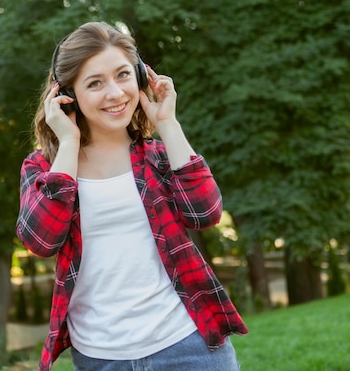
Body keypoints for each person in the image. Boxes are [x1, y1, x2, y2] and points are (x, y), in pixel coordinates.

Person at [15, 21, 248, 371]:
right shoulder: (45, 168)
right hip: (100, 356)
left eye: (123, 75)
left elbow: (206, 213)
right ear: (66, 94)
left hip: (188, 345)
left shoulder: (158, 155)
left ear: (140, 77)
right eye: (95, 83)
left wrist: (169, 124)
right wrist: (68, 143)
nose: (115, 93)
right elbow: (41, 241)